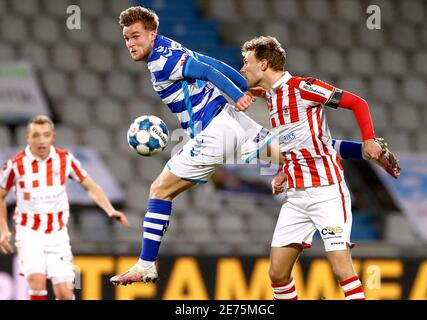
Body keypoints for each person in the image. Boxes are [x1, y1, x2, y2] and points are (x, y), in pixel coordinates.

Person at [110, 6, 400, 286]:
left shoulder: (162, 61)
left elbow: (206, 71)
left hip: (216, 132)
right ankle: (360, 154)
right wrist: (244, 88)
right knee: (293, 155)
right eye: (126, 38)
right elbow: (215, 64)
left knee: (159, 190)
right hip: (236, 123)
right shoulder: (171, 46)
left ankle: (147, 264)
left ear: (152, 32)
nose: (131, 43)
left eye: (136, 36)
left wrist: (238, 94)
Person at [240, 36, 392, 300]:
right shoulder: (271, 97)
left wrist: (368, 139)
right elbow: (297, 142)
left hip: (327, 192)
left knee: (341, 268)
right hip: (296, 197)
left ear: (263, 64)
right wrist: (285, 169)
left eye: (247, 62)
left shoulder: (303, 87)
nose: (243, 69)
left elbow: (357, 102)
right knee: (277, 273)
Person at [0, 115, 129, 300]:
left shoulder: (65, 160)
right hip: (29, 233)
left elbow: (90, 186)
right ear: (27, 138)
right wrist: (4, 230)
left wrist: (110, 209)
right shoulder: (15, 165)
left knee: (65, 293)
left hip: (57, 235)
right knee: (37, 281)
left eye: (46, 134)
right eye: (36, 135)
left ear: (53, 137)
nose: (41, 140)